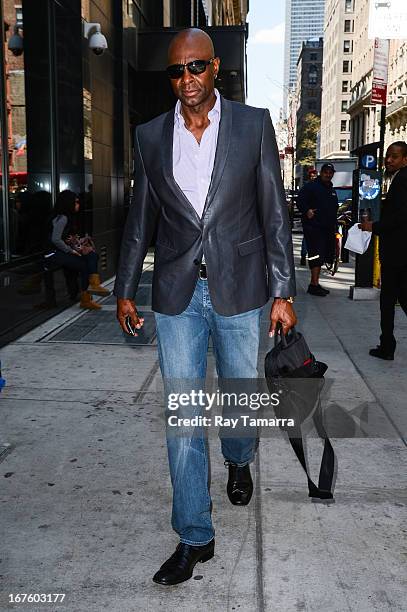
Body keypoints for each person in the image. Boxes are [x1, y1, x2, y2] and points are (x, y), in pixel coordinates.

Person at [114, 28, 297, 586]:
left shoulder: (252, 125)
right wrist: (125, 286)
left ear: (216, 67)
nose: (186, 79)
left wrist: (284, 291)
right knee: (185, 415)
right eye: (176, 71)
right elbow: (140, 218)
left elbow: (273, 211)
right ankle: (195, 535)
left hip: (241, 287)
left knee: (239, 393)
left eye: (195, 67)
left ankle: (238, 458)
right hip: (175, 293)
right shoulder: (150, 136)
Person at [360, 141, 407, 360]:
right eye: (388, 155)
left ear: (405, 159)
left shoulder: (403, 180)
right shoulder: (398, 178)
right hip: (399, 254)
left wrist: (373, 227)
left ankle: (387, 347)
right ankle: (386, 344)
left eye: (394, 156)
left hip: (397, 254)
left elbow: (400, 218)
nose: (388, 160)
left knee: (387, 302)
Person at [48, 190, 109, 309]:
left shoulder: (69, 217)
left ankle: (93, 286)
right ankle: (88, 293)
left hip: (62, 251)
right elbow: (56, 240)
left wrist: (79, 243)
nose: (78, 204)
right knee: (85, 264)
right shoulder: (62, 218)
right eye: (75, 202)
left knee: (92, 255)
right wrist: (72, 250)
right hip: (53, 253)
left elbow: (67, 238)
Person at [297, 163, 339, 295]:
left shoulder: (330, 188)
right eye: (325, 172)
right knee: (316, 255)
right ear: (321, 172)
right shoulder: (312, 186)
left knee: (323, 255)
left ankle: (315, 283)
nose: (328, 174)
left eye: (330, 172)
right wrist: (307, 211)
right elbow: (300, 200)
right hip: (314, 227)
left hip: (327, 228)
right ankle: (313, 285)